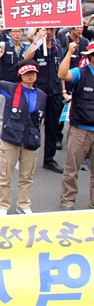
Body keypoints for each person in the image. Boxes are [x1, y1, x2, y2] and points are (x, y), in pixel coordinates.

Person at [0, 50, 46, 216]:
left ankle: (24, 205)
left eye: (33, 73)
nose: (30, 76)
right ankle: (3, 206)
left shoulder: (41, 95)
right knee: (5, 176)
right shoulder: (10, 88)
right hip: (11, 139)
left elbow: (41, 119)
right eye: (27, 74)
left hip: (31, 140)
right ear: (20, 75)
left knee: (27, 177)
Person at [58, 41, 94, 211]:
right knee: (72, 168)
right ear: (91, 57)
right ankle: (67, 201)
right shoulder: (80, 72)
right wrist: (69, 52)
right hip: (81, 129)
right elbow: (62, 74)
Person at [24, 28, 65, 174]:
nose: (49, 32)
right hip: (38, 92)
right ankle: (25, 158)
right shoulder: (37, 46)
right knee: (32, 125)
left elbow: (61, 71)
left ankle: (49, 159)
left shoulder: (58, 47)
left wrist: (63, 90)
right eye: (46, 29)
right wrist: (37, 39)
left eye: (51, 29)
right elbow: (26, 58)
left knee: (52, 127)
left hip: (54, 92)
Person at [0, 27, 28, 148]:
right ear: (10, 33)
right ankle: (0, 137)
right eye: (15, 32)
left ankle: (18, 135)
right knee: (2, 111)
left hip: (20, 84)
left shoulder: (25, 47)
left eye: (19, 31)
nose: (17, 34)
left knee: (19, 111)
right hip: (5, 83)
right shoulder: (4, 45)